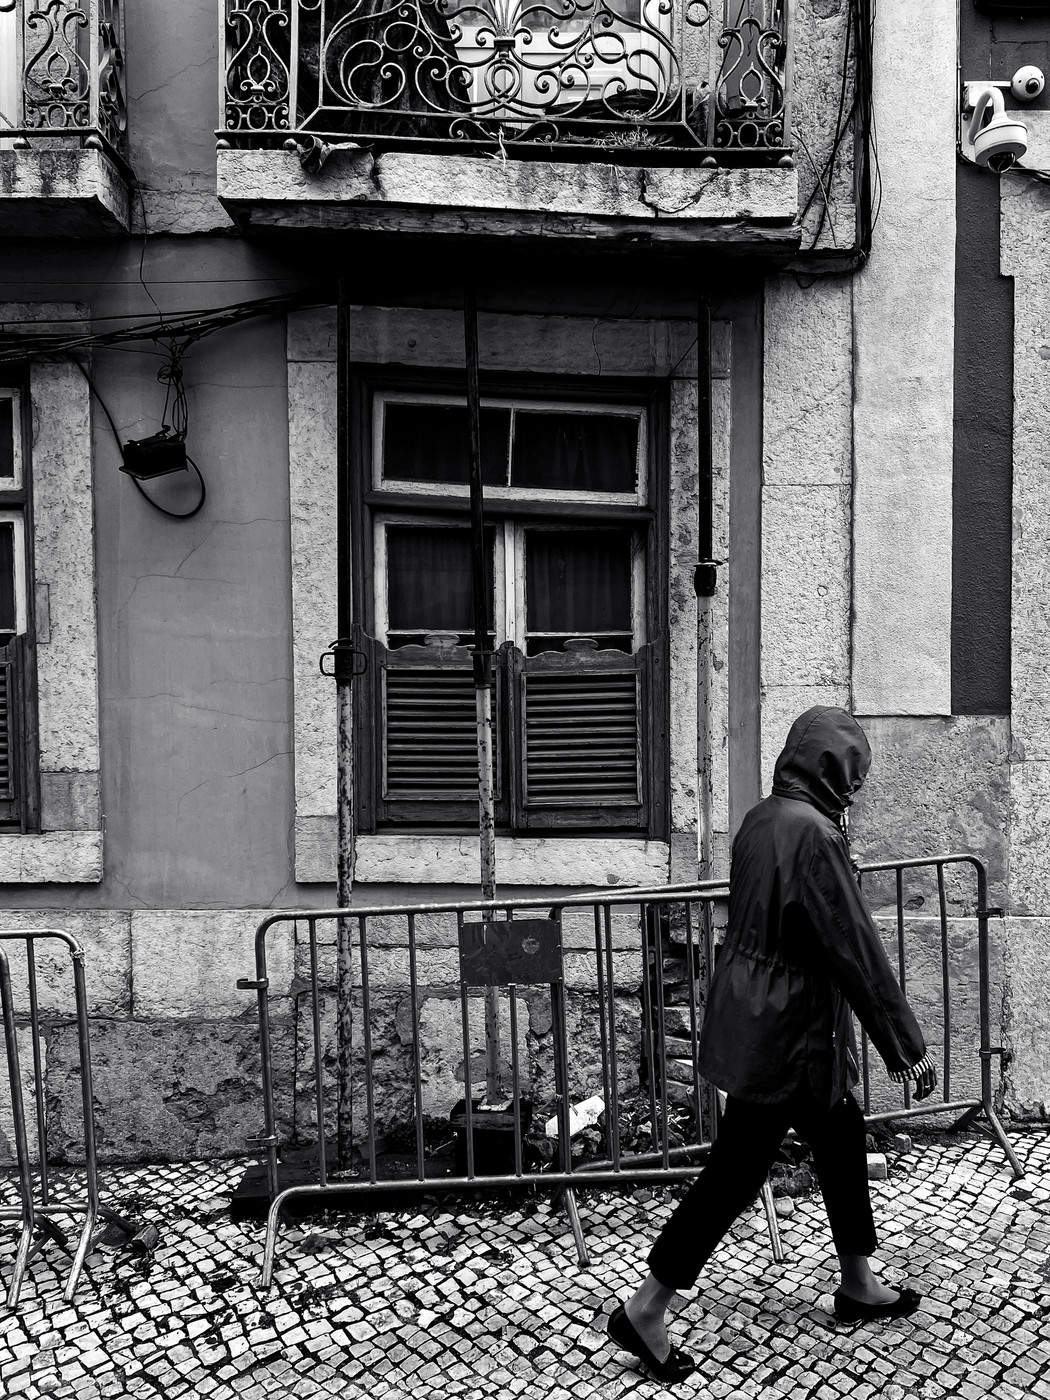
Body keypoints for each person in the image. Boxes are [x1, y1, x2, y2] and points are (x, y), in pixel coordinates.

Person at [607, 706, 937, 1384]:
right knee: (735, 1171)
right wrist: (906, 1046)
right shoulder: (812, 835)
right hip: (791, 1033)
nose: (859, 787)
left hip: (763, 1012)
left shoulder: (765, 817)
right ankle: (646, 1307)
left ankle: (857, 1282)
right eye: (856, 774)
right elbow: (854, 948)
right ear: (834, 769)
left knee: (840, 1136)